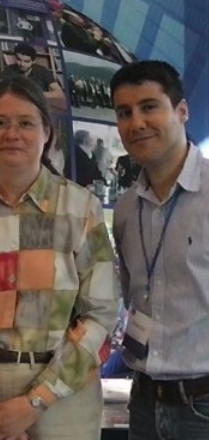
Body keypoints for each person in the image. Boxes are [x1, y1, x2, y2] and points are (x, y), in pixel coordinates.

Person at [0, 76, 118, 440]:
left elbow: (101, 315)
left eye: (26, 123)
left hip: (63, 400)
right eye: (0, 122)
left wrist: (33, 403)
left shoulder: (80, 210)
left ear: (48, 133)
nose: (12, 133)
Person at [112, 60, 209, 439]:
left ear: (182, 111)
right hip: (144, 403)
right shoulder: (124, 210)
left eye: (149, 106)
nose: (136, 123)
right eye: (125, 112)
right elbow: (132, 293)